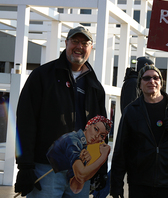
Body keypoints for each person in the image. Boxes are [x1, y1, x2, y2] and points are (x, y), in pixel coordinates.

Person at [15, 26, 108, 197]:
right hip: (46, 169)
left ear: (91, 48)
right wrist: (25, 166)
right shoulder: (42, 76)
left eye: (85, 43)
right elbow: (25, 122)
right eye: (75, 41)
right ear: (66, 43)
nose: (79, 46)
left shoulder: (94, 86)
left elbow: (100, 130)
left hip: (81, 172)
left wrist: (100, 168)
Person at [110, 65, 168, 198]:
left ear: (161, 83)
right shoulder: (131, 111)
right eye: (146, 78)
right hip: (139, 184)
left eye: (155, 77)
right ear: (140, 84)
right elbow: (121, 150)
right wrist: (116, 185)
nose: (151, 81)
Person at [46, 115, 111, 194]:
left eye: (102, 136)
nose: (97, 136)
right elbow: (81, 175)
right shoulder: (73, 140)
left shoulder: (84, 148)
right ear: (88, 126)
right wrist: (103, 157)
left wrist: (88, 164)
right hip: (47, 176)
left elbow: (76, 187)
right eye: (96, 129)